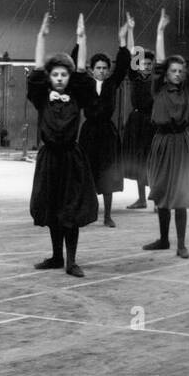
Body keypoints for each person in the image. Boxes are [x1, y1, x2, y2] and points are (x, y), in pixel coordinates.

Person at [28, 13, 98, 276]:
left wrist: (82, 38)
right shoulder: (41, 97)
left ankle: (71, 260)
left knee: (71, 210)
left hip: (71, 158)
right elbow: (36, 73)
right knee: (53, 207)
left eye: (63, 74)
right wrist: (40, 38)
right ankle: (56, 256)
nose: (59, 78)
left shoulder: (77, 95)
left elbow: (81, 74)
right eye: (55, 74)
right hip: (49, 159)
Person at [143, 9, 189, 259]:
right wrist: (159, 31)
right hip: (161, 142)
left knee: (179, 194)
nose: (178, 74)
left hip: (181, 143)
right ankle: (163, 239)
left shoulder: (188, 89)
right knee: (161, 191)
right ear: (167, 73)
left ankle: (180, 243)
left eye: (181, 71)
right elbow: (159, 61)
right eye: (174, 71)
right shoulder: (158, 87)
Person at [75, 12, 131, 228]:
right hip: (88, 133)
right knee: (87, 172)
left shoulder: (111, 84)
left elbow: (124, 65)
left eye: (105, 68)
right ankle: (86, 212)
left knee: (107, 174)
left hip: (107, 134)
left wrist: (122, 41)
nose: (101, 71)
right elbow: (76, 65)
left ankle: (107, 215)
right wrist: (80, 39)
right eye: (98, 67)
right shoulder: (85, 84)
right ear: (92, 69)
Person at [119, 13, 155, 209]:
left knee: (151, 161)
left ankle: (156, 198)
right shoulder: (134, 77)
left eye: (149, 64)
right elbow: (133, 53)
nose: (146, 67)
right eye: (144, 63)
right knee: (138, 160)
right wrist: (131, 30)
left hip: (151, 123)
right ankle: (142, 199)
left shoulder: (155, 81)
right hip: (136, 122)